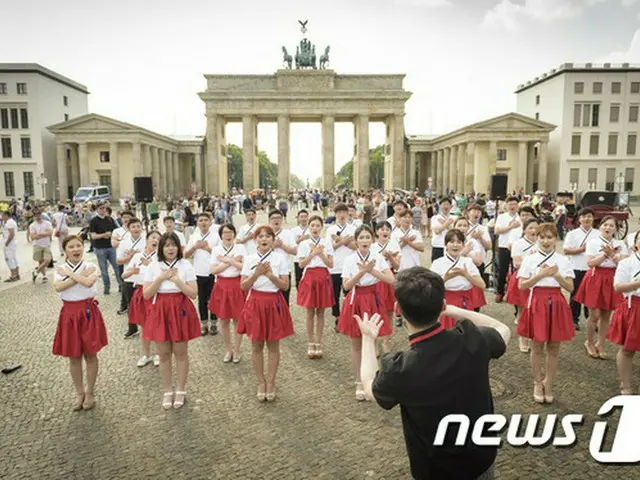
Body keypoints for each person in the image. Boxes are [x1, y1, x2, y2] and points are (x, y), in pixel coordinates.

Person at [358, 267, 509, 480]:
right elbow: (502, 329)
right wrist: (455, 310)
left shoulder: (400, 369)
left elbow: (368, 384)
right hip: (480, 460)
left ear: (398, 309)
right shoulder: (471, 340)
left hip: (434, 470)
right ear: (442, 305)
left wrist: (367, 338)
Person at [517, 223, 575, 404]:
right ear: (537, 238)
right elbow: (521, 285)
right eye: (542, 237)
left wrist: (557, 276)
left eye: (550, 237)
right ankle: (537, 382)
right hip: (537, 301)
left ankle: (548, 382)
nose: (545, 241)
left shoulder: (563, 260)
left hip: (556, 301)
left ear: (555, 239)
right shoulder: (530, 259)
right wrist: (540, 275)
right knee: (537, 345)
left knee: (554, 347)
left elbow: (570, 287)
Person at [142, 232, 200, 409]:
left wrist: (176, 280)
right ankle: (168, 390)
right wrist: (160, 278)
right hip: (160, 309)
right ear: (161, 248)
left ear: (179, 247)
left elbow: (193, 294)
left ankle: (181, 388)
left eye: (173, 245)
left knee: (181, 352)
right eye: (166, 245)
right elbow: (146, 294)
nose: (170, 248)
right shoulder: (153, 266)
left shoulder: (186, 265)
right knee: (163, 353)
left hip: (180, 308)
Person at [338, 225, 395, 401]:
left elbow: (391, 279)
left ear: (372, 240)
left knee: (372, 341)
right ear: (355, 241)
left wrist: (372, 271)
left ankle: (374, 380)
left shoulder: (377, 258)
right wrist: (362, 272)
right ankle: (359, 381)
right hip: (356, 299)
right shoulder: (349, 260)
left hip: (373, 299)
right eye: (361, 238)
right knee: (356, 343)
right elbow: (346, 286)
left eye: (367, 237)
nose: (364, 241)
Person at [52, 235, 108, 411]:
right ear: (65, 250)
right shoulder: (59, 268)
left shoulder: (90, 265)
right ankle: (79, 393)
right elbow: (58, 287)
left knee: (91, 354)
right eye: (71, 247)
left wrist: (69, 275)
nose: (76, 249)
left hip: (88, 311)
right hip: (69, 313)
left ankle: (90, 392)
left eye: (78, 246)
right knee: (73, 356)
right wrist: (76, 276)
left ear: (83, 247)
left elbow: (88, 281)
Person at [239, 225, 294, 402]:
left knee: (273, 345)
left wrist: (270, 275)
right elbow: (243, 286)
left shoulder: (280, 259)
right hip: (255, 302)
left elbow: (285, 286)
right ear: (255, 240)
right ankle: (260, 381)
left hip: (274, 302)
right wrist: (256, 274)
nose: (264, 239)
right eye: (260, 236)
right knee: (256, 344)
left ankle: (271, 381)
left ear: (273, 240)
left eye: (268, 236)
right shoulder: (249, 259)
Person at [575, 216, 628, 360]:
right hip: (596, 277)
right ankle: (590, 342)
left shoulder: (620, 243)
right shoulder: (593, 242)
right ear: (600, 226)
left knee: (606, 315)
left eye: (611, 225)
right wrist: (605, 255)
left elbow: (624, 263)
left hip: (612, 277)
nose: (608, 228)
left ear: (616, 229)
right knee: (594, 315)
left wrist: (613, 255)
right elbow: (591, 263)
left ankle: (601, 343)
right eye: (605, 224)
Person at [297, 215, 334, 359]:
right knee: (309, 312)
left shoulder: (326, 243)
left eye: (318, 225)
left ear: (321, 227)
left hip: (323, 276)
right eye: (312, 225)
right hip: (309, 277)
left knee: (321, 312)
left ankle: (319, 341)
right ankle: (310, 341)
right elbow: (301, 264)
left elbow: (330, 264)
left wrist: (321, 254)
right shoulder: (304, 244)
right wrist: (312, 254)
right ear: (309, 227)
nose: (315, 228)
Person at [431, 229, 486, 329]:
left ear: (463, 245)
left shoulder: (468, 262)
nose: (455, 245)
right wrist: (446, 277)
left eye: (459, 242)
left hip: (465, 300)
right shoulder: (438, 263)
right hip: (446, 301)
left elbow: (482, 284)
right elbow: (431, 286)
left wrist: (466, 275)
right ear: (446, 245)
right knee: (447, 332)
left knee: (466, 332)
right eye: (451, 242)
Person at [209, 223, 247, 363]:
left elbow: (245, 267)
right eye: (225, 232)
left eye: (230, 232)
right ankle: (228, 349)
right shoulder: (216, 250)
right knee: (223, 320)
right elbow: (214, 270)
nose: (228, 235)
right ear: (221, 235)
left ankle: (237, 349)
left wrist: (227, 260)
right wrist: (231, 262)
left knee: (237, 319)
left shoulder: (240, 247)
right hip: (221, 285)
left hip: (237, 284)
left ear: (234, 233)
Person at [609, 232, 640, 394]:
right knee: (628, 349)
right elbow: (618, 287)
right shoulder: (626, 263)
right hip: (633, 306)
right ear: (635, 244)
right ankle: (626, 384)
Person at [506, 218, 540, 353]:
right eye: (530, 228)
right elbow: (517, 263)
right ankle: (523, 338)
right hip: (523, 278)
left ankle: (535, 336)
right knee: (522, 310)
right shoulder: (518, 244)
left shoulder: (541, 243)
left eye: (536, 228)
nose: (533, 231)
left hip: (538, 280)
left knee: (536, 310)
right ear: (524, 229)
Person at [185, 213, 221, 336]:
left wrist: (208, 248)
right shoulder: (194, 237)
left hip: (213, 272)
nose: (203, 222)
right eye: (201, 220)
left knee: (214, 299)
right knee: (201, 300)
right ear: (197, 223)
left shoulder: (216, 236)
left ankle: (214, 323)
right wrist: (195, 247)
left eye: (206, 220)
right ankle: (204, 323)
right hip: (198, 272)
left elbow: (221, 255)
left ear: (210, 222)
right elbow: (185, 255)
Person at [562, 208, 595, 330]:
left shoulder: (597, 234)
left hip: (591, 268)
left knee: (590, 295)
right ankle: (573, 319)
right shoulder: (572, 234)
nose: (587, 218)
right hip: (576, 267)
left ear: (593, 218)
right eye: (584, 216)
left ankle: (590, 319)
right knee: (575, 294)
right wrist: (581, 250)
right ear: (579, 219)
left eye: (589, 216)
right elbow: (566, 250)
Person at [371, 221, 400, 354]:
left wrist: (390, 257)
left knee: (389, 311)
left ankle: (386, 341)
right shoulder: (372, 247)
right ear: (377, 232)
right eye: (381, 229)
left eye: (387, 229)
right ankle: (375, 342)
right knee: (376, 311)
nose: (384, 231)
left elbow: (397, 266)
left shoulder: (394, 245)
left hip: (390, 278)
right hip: (376, 279)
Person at [326, 204, 356, 330]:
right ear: (335, 214)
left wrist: (339, 240)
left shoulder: (353, 228)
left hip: (350, 266)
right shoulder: (330, 230)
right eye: (339, 212)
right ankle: (337, 317)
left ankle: (349, 316)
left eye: (344, 212)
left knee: (349, 294)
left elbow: (356, 246)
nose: (342, 215)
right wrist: (344, 241)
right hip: (335, 266)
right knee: (335, 294)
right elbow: (329, 248)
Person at [117, 218, 146, 338]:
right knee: (131, 305)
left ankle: (148, 327)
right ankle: (132, 328)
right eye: (133, 227)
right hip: (129, 277)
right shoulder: (124, 243)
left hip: (144, 278)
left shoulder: (146, 241)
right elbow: (118, 261)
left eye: (138, 226)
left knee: (146, 304)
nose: (136, 229)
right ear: (129, 229)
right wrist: (130, 258)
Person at [90, 202, 123, 295]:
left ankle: (121, 285)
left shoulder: (110, 219)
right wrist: (104, 235)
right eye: (101, 208)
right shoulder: (94, 221)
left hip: (111, 247)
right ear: (97, 209)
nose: (103, 210)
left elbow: (117, 231)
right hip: (100, 248)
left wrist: (113, 235)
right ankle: (107, 287)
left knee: (117, 267)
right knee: (104, 269)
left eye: (104, 208)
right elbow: (93, 236)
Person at [493, 196, 522, 303]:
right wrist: (510, 227)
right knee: (502, 270)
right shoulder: (502, 217)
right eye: (510, 204)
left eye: (514, 204)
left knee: (517, 271)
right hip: (504, 246)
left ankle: (515, 293)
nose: (512, 206)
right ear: (506, 206)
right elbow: (497, 230)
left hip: (518, 248)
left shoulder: (521, 217)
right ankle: (500, 291)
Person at [268, 209, 297, 305]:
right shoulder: (265, 234)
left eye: (279, 218)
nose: (276, 220)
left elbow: (294, 251)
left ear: (282, 220)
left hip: (284, 270)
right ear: (269, 220)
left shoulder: (288, 233)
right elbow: (259, 252)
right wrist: (273, 246)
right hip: (268, 270)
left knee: (284, 299)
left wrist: (281, 246)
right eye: (273, 218)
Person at [29, 210, 54, 283]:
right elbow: (33, 237)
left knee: (47, 260)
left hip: (46, 244)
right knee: (40, 261)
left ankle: (36, 272)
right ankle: (44, 276)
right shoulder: (32, 225)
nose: (38, 216)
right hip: (37, 245)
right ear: (34, 216)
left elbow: (50, 233)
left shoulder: (47, 223)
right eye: (36, 215)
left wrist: (39, 235)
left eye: (39, 215)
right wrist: (44, 234)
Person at [430, 197, 456, 262]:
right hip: (438, 245)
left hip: (451, 246)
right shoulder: (435, 218)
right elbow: (437, 231)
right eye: (443, 204)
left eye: (447, 204)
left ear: (451, 206)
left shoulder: (454, 218)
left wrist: (444, 224)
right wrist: (447, 223)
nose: (445, 206)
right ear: (440, 206)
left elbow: (455, 232)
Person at [291, 209, 310, 289]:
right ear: (298, 218)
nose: (303, 218)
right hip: (298, 258)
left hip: (309, 257)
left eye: (305, 216)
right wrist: (301, 239)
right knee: (299, 280)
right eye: (301, 217)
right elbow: (292, 244)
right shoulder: (293, 230)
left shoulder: (311, 228)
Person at [2, 210, 19, 282]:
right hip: (12, 243)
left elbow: (11, 234)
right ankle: (17, 274)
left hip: (9, 244)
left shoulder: (9, 222)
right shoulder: (11, 222)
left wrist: (6, 243)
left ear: (6, 215)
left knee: (9, 259)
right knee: (14, 258)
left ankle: (13, 275)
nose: (1, 217)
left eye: (2, 215)